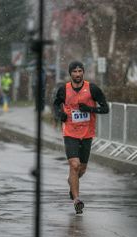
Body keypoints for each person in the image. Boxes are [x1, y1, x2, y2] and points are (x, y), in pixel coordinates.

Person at [53, 61, 109, 214]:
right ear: (70, 73)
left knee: (82, 169)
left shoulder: (92, 89)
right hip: (70, 132)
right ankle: (77, 200)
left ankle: (72, 181)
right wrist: (60, 115)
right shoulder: (63, 90)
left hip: (87, 134)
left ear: (83, 72)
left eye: (80, 71)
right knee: (74, 164)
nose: (77, 74)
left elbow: (105, 109)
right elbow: (55, 105)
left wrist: (90, 109)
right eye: (74, 72)